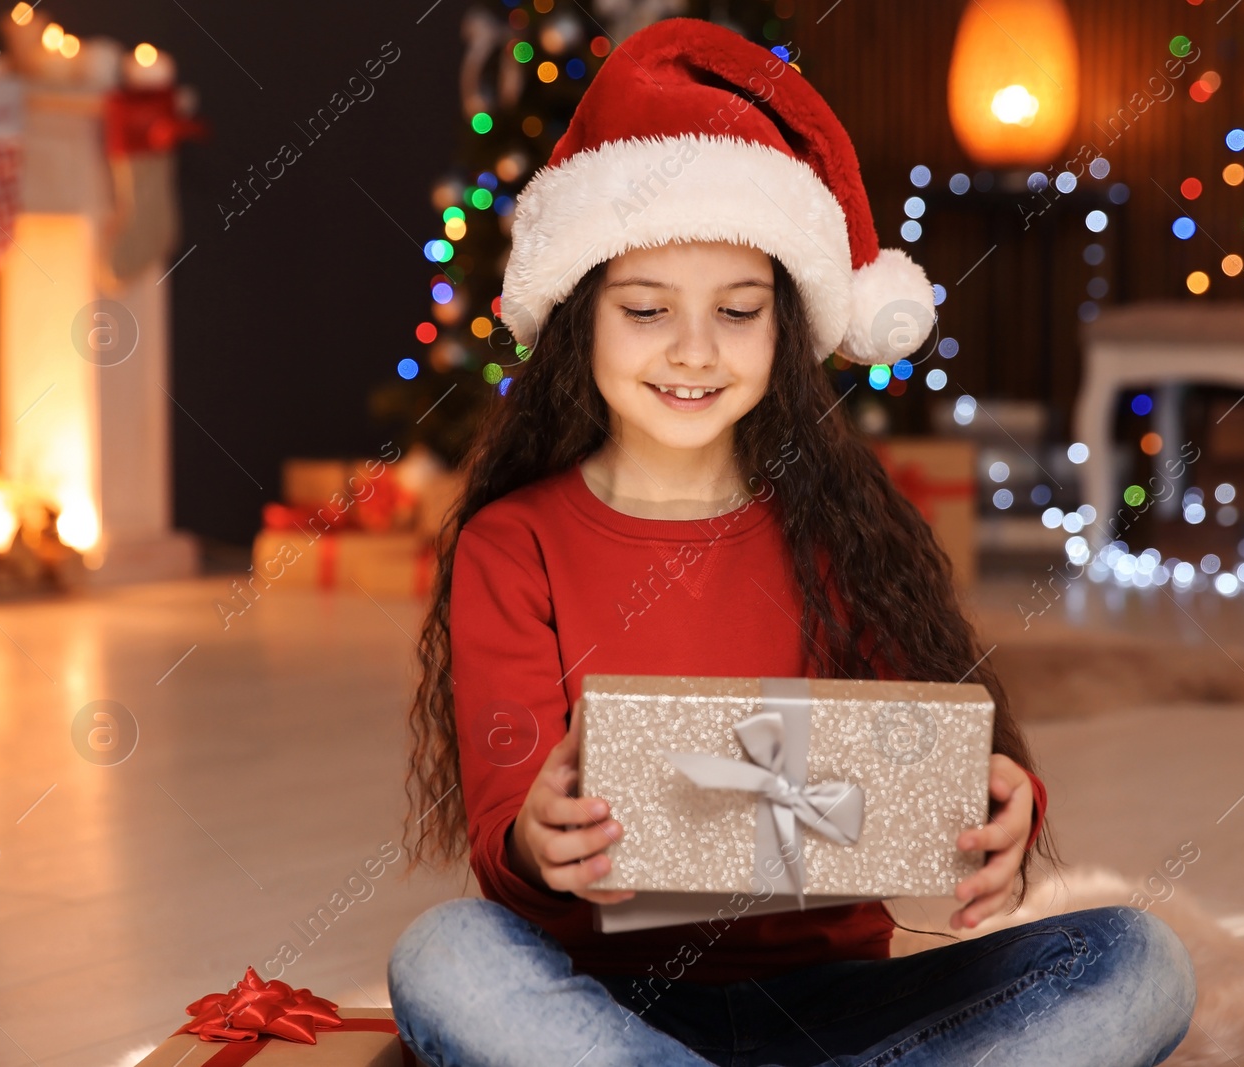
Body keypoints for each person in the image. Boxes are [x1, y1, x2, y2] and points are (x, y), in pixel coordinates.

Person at [389, 17, 1195, 1067]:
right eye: (646, 310)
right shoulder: (514, 542)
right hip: (604, 1005)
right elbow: (505, 830)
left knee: (1138, 957)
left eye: (737, 310)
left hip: (840, 1003)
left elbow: (942, 749)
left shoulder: (843, 525)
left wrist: (1006, 805)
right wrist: (539, 837)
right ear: (583, 320)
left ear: (786, 330)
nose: (693, 350)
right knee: (443, 951)